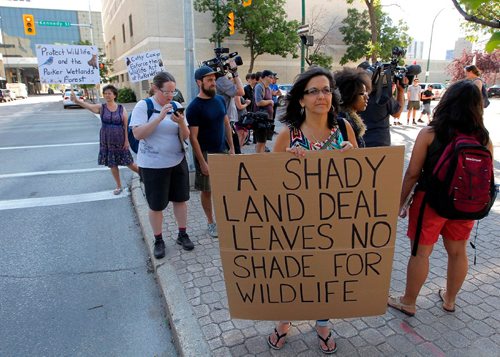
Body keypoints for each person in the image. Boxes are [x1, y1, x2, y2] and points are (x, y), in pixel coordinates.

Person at [270, 67, 357, 354]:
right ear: (301, 100)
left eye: (326, 90)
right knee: (293, 274)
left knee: (324, 275)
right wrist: (286, 162)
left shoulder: (344, 129)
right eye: (314, 91)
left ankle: (322, 325)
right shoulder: (288, 135)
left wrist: (349, 156)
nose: (322, 96)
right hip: (294, 225)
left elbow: (360, 177)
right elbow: (266, 182)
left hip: (333, 223)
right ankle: (284, 321)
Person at [388, 80, 493, 316]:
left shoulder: (430, 133)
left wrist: (399, 203)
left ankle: (409, 301)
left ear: (447, 101)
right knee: (458, 252)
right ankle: (450, 300)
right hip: (465, 205)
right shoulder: (483, 139)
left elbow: (413, 173)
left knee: (421, 253)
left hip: (431, 203)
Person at [129, 72, 193, 258]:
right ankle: (158, 239)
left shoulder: (176, 106)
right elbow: (138, 134)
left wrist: (181, 123)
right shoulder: (144, 106)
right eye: (167, 91)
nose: (170, 96)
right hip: (153, 165)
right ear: (156, 88)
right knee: (156, 205)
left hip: (177, 161)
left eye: (173, 91)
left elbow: (186, 135)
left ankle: (182, 234)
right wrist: (158, 118)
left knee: (180, 199)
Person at [186, 66, 235, 238]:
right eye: (209, 80)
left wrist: (232, 148)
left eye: (214, 80)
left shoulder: (220, 100)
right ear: (199, 82)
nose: (213, 83)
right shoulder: (194, 107)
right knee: (207, 191)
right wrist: (202, 162)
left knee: (224, 188)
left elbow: (227, 124)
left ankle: (226, 219)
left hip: (222, 150)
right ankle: (210, 222)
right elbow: (193, 138)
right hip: (205, 153)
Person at [70, 85, 139, 195]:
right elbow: (88, 106)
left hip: (120, 139)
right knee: (112, 164)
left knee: (129, 162)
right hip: (106, 139)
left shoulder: (122, 108)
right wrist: (77, 101)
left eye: (109, 93)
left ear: (114, 95)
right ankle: (118, 185)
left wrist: (127, 141)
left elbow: (126, 126)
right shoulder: (101, 107)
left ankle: (145, 175)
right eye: (105, 93)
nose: (107, 95)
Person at [359, 69, 405, 147]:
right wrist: (401, 91)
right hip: (380, 143)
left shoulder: (354, 95)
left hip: (358, 142)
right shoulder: (384, 96)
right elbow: (397, 113)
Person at [333, 67, 372, 147]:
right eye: (362, 93)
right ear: (350, 95)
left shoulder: (349, 117)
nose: (366, 97)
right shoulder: (343, 122)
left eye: (366, 92)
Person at [253, 70, 275, 153]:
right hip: (261, 119)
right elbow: (258, 102)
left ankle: (262, 159)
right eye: (270, 77)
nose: (272, 79)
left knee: (264, 141)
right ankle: (258, 159)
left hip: (268, 119)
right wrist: (270, 101)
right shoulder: (259, 87)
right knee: (260, 141)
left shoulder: (268, 88)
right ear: (264, 77)